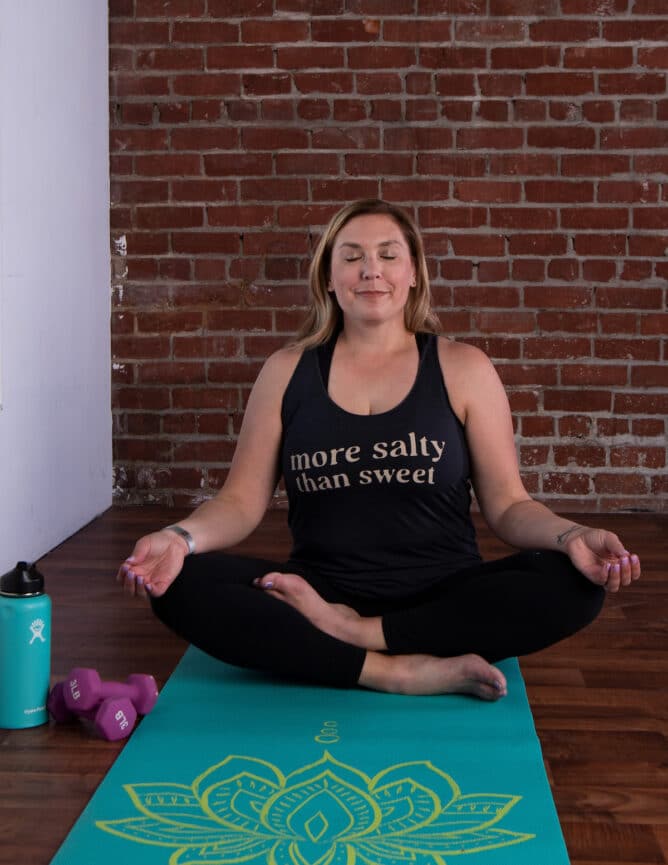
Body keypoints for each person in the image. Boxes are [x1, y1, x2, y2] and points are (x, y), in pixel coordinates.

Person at [117, 199, 641, 700]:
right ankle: (391, 671)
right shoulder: (286, 371)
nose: (372, 271)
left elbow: (507, 506)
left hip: (443, 593)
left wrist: (572, 535)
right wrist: (178, 538)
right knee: (177, 582)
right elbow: (239, 503)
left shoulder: (464, 368)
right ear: (329, 276)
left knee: (574, 583)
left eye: (388, 255)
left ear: (414, 273)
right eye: (352, 257)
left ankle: (359, 637)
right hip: (320, 593)